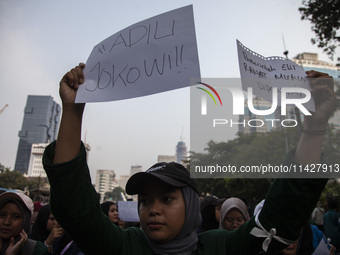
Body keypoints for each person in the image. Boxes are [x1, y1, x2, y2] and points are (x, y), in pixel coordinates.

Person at [42, 64, 336, 254]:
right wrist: (72, 110)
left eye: (167, 199)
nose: (152, 210)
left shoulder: (222, 247)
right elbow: (76, 211)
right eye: (145, 200)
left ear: (192, 204)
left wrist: (313, 128)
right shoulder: (125, 245)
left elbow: (280, 219)